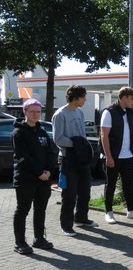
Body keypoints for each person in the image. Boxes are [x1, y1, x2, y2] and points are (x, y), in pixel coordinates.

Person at [12, 99, 55, 254]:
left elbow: (51, 153)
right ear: (25, 112)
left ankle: (39, 239)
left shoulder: (42, 131)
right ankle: (20, 243)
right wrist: (39, 173)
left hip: (44, 179)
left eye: (38, 111)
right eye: (32, 111)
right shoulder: (18, 133)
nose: (36, 114)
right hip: (26, 179)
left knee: (40, 209)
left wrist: (49, 171)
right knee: (22, 210)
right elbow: (23, 157)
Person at [52, 85, 97, 237]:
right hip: (67, 159)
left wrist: (82, 146)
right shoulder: (60, 114)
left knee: (85, 191)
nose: (85, 99)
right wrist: (77, 144)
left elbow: (82, 135)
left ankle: (81, 218)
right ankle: (66, 225)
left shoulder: (79, 112)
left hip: (81, 159)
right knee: (69, 194)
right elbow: (58, 139)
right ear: (76, 97)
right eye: (84, 96)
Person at [100, 87, 133, 224]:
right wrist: (108, 156)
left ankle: (131, 211)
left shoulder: (131, 113)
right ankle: (109, 212)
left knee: (129, 184)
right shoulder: (108, 112)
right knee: (111, 184)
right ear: (124, 98)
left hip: (128, 155)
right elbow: (104, 135)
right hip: (113, 155)